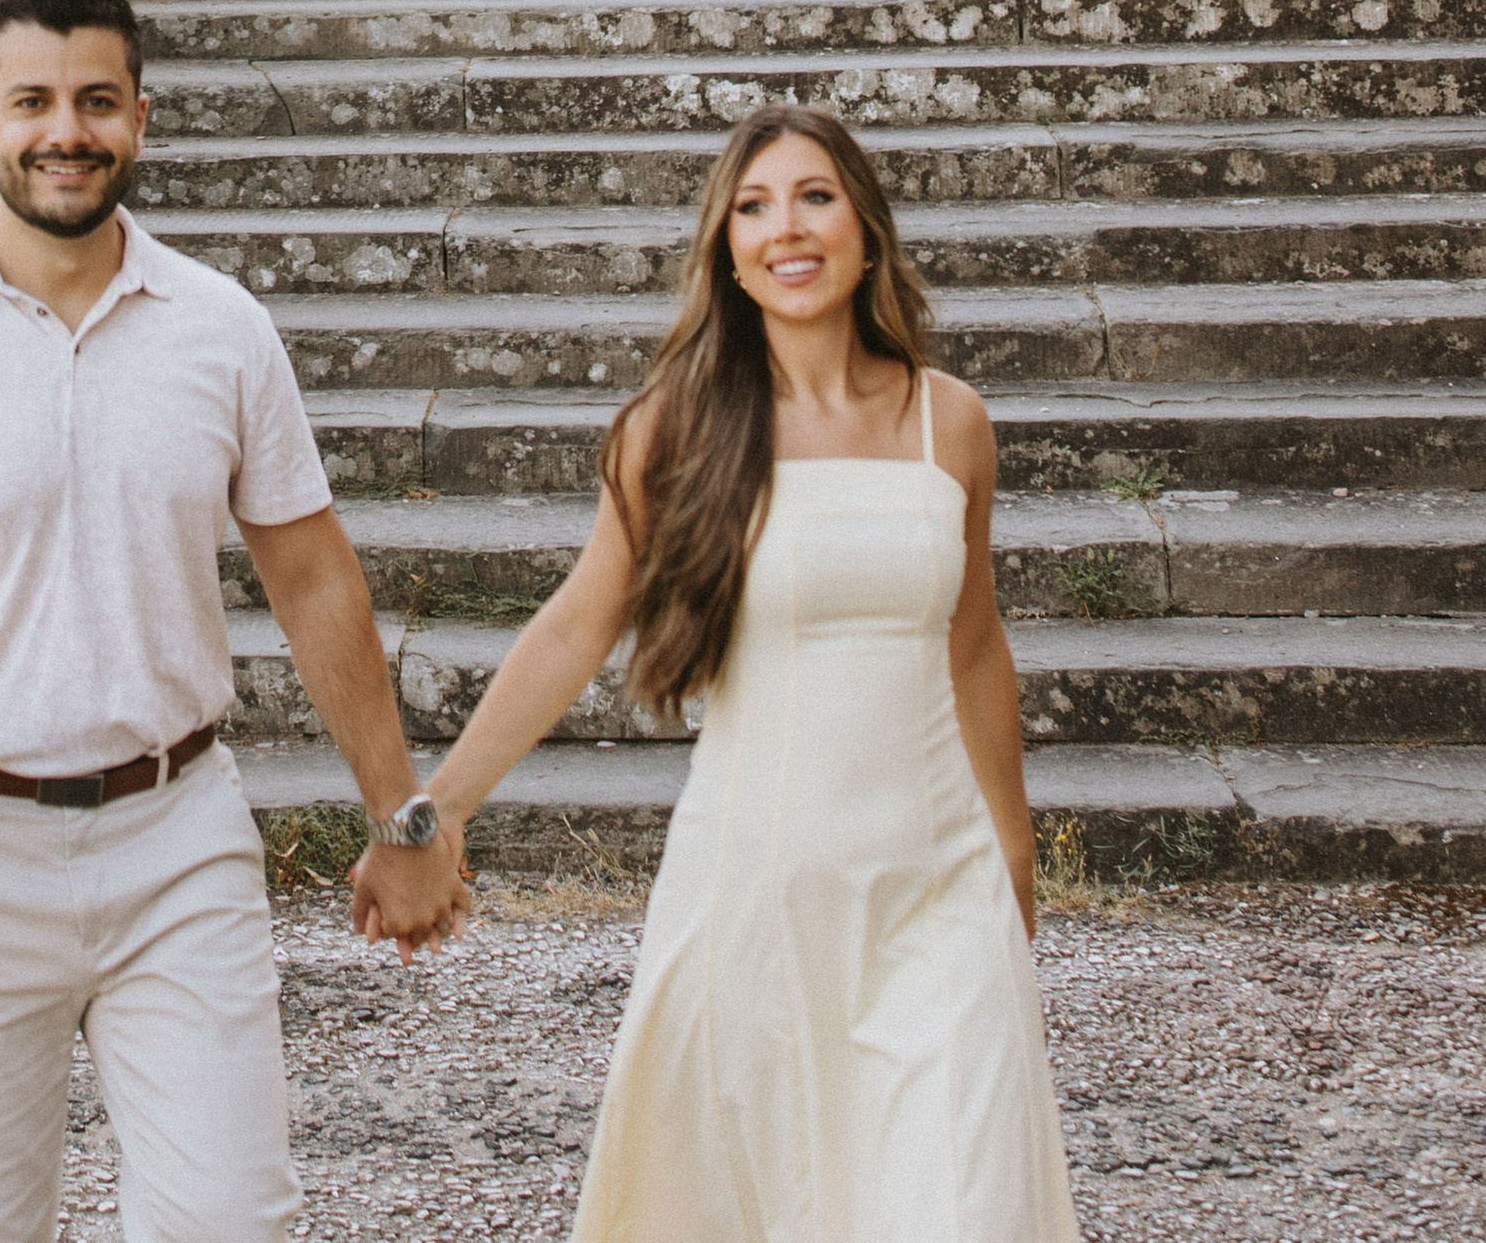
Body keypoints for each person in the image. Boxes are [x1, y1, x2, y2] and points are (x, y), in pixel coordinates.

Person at [0, 0, 469, 1243]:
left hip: (176, 839)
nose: (64, 133)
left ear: (141, 117)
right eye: (31, 103)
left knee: (230, 1220)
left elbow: (312, 580)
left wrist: (401, 819)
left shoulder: (221, 327)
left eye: (96, 101)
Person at [356, 100, 1080, 1243]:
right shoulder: (672, 430)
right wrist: (433, 812)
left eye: (812, 197)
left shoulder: (953, 423)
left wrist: (1014, 845)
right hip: (758, 890)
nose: (783, 229)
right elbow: (573, 628)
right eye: (751, 208)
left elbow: (973, 640)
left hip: (936, 894)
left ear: (864, 229)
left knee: (960, 1203)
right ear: (727, 253)